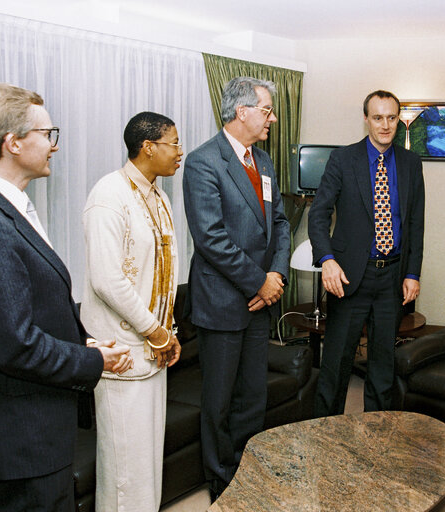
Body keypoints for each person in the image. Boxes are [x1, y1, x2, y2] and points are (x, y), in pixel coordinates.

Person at [0, 82, 132, 512]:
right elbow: (12, 343)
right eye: (48, 134)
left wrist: (82, 342)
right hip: (22, 438)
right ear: (12, 143)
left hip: (38, 430)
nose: (54, 145)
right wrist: (93, 361)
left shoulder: (6, 209)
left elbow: (32, 311)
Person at [182, 76, 290, 500]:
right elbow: (210, 239)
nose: (273, 118)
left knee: (253, 397)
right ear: (241, 111)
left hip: (261, 301)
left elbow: (279, 223)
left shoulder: (262, 161)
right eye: (266, 110)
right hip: (224, 301)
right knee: (220, 403)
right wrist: (259, 280)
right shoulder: (203, 162)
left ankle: (248, 474)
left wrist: (276, 277)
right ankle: (221, 485)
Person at [80, 111, 183, 511]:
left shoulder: (157, 195)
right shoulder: (109, 195)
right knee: (124, 470)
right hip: (122, 352)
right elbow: (107, 279)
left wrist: (165, 331)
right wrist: (156, 331)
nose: (179, 152)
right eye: (173, 143)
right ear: (148, 147)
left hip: (153, 350)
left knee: (145, 463)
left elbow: (164, 272)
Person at [308, 90, 425, 417]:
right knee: (336, 365)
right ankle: (325, 438)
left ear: (398, 121)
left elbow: (416, 222)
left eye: (391, 118)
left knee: (382, 367)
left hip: (392, 277)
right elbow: (318, 215)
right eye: (378, 117)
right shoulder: (343, 160)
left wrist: (413, 273)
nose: (385, 125)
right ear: (366, 119)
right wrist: (327, 260)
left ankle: (378, 439)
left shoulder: (411, 163)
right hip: (348, 277)